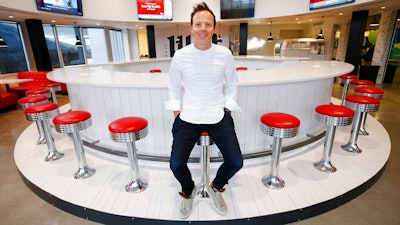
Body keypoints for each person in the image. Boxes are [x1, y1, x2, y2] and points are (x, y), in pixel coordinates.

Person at [165, 2, 243, 219]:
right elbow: (172, 85)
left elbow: (233, 83)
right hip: (188, 115)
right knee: (176, 164)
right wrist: (176, 111)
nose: (203, 28)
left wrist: (227, 108)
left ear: (214, 28)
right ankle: (188, 189)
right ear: (191, 27)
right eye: (198, 24)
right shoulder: (180, 55)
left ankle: (216, 186)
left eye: (207, 24)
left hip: (218, 114)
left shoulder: (224, 54)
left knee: (236, 162)